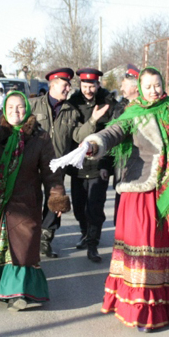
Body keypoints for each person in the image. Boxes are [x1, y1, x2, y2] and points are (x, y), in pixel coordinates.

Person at [82, 67, 169, 331]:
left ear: (163, 84)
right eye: (148, 86)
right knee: (143, 246)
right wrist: (94, 143)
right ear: (140, 87)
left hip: (167, 190)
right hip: (140, 190)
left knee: (168, 247)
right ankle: (142, 308)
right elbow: (113, 133)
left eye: (157, 85)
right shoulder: (133, 112)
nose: (153, 91)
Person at [0, 92, 71, 309]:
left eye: (20, 107)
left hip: (25, 202)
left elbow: (51, 171)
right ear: (4, 109)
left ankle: (17, 293)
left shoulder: (40, 137)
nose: (15, 112)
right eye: (10, 108)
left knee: (21, 248)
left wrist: (56, 198)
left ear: (27, 109)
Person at [30, 67, 85, 258]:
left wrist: (93, 120)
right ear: (53, 85)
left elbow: (78, 135)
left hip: (57, 165)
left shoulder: (72, 111)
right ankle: (29, 237)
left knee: (55, 203)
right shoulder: (33, 105)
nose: (68, 88)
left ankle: (45, 240)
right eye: (65, 84)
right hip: (33, 163)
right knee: (31, 199)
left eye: (69, 84)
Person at [68, 68, 116, 262]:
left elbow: (112, 136)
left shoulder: (108, 104)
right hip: (78, 165)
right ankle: (85, 232)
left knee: (95, 206)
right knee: (79, 206)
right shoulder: (73, 104)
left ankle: (92, 244)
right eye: (85, 86)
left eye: (92, 86)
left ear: (98, 85)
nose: (88, 90)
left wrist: (106, 165)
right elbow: (70, 134)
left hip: (98, 165)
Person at [111, 64, 141, 222]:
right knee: (121, 202)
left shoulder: (144, 107)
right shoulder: (120, 106)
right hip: (121, 162)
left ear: (136, 88)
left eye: (125, 82)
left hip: (139, 162)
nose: (121, 85)